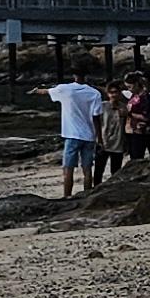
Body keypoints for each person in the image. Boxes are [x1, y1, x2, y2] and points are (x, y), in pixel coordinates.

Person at [50, 63, 109, 200]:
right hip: (89, 136)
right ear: (87, 75)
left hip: (71, 135)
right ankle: (87, 195)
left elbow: (48, 92)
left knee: (68, 169)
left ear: (73, 75)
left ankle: (67, 196)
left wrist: (36, 91)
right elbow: (96, 118)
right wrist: (99, 137)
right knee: (87, 169)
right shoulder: (94, 93)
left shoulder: (65, 89)